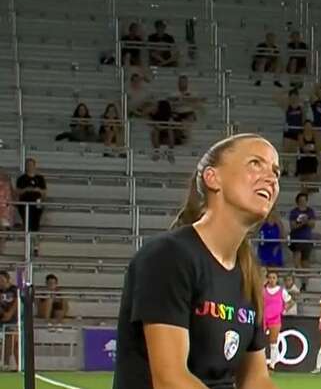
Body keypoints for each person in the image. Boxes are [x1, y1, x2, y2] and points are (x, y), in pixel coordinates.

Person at [113, 133, 281, 389]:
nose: (271, 178)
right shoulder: (167, 257)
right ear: (212, 178)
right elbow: (170, 380)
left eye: (276, 172)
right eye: (255, 164)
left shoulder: (248, 271)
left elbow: (255, 379)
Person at [262, 270, 295, 369]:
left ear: (277, 279)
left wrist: (284, 310)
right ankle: (261, 364)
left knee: (273, 342)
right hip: (264, 318)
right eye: (270, 278)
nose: (272, 280)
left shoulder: (282, 291)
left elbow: (291, 302)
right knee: (260, 341)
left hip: (275, 319)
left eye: (274, 278)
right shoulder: (262, 290)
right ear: (267, 279)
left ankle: (272, 364)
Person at [16, 158, 46, 233]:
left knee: (36, 221)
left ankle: (34, 237)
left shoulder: (40, 178)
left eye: (31, 165)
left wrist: (38, 190)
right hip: (25, 202)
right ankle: (27, 235)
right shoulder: (21, 178)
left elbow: (44, 192)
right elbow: (18, 192)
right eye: (28, 165)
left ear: (34, 166)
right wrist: (26, 189)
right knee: (27, 221)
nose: (30, 166)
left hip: (37, 202)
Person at [288, 193, 316, 269]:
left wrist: (305, 221)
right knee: (297, 259)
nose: (302, 202)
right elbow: (292, 226)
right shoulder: (294, 212)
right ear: (297, 201)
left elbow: (312, 224)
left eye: (304, 200)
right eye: (301, 200)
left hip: (307, 239)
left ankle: (305, 280)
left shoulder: (310, 211)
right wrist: (302, 223)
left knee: (305, 261)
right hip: (296, 239)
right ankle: (298, 277)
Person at [0, 270, 18, 369]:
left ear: (7, 280)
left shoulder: (14, 290)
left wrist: (9, 314)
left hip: (12, 320)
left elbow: (17, 304)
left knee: (10, 338)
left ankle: (6, 363)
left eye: (2, 280)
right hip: (1, 318)